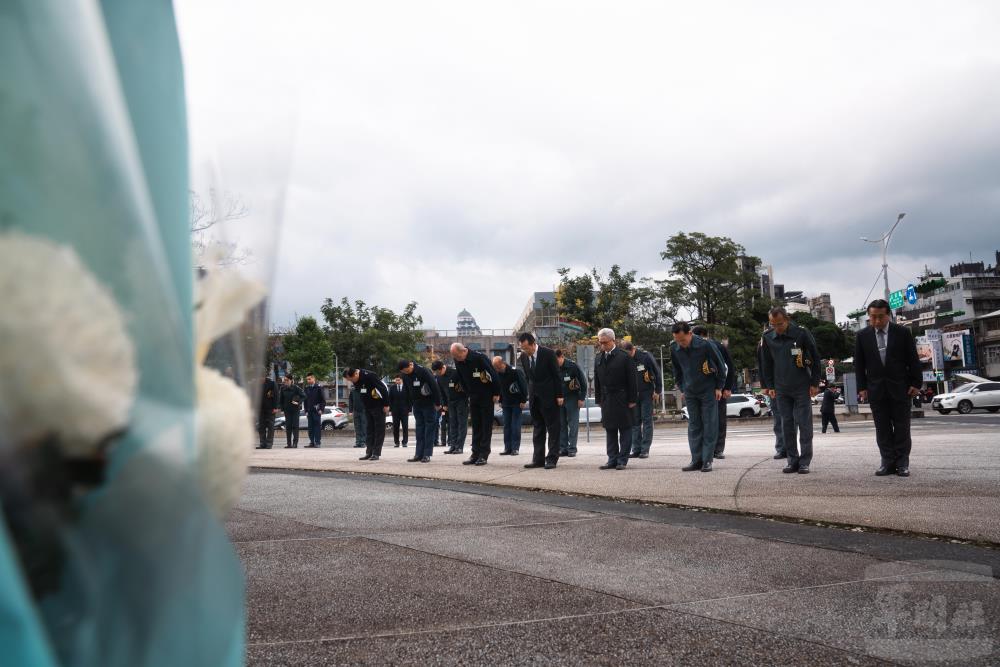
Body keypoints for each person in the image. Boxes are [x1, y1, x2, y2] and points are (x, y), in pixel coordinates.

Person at [854, 298, 923, 477]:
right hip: (876, 389)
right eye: (873, 317)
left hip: (901, 387)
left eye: (880, 317)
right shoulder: (862, 336)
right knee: (882, 428)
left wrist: (916, 383)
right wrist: (861, 387)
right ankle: (887, 462)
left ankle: (902, 463)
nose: (876, 321)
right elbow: (859, 365)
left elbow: (913, 360)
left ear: (889, 315)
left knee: (902, 427)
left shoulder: (902, 332)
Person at [760, 307, 821, 474]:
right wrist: (769, 386)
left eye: (779, 324)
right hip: (781, 388)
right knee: (786, 425)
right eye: (773, 324)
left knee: (804, 424)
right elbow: (766, 363)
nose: (777, 328)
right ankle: (792, 460)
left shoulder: (801, 333)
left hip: (802, 385)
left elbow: (815, 357)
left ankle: (805, 461)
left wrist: (815, 383)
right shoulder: (767, 337)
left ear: (787, 320)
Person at [671, 322, 727, 472]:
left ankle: (707, 460)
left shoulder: (705, 345)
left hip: (708, 390)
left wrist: (719, 387)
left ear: (690, 333)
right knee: (694, 425)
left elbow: (721, 366)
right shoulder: (674, 347)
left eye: (682, 340)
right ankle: (696, 459)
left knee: (709, 424)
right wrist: (682, 388)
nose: (680, 343)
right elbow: (677, 370)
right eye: (677, 340)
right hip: (690, 391)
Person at [517, 332, 564, 470]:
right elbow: (528, 378)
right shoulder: (524, 357)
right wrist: (528, 396)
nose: (525, 351)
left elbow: (556, 375)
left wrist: (559, 395)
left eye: (526, 348)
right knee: (538, 429)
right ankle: (538, 459)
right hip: (534, 399)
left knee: (553, 429)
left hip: (550, 397)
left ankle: (552, 459)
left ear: (533, 344)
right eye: (522, 348)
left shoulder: (548, 354)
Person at [593, 328, 637, 470]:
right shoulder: (598, 358)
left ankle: (622, 460)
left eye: (605, 342)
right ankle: (612, 458)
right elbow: (597, 381)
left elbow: (632, 380)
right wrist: (598, 399)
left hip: (622, 397)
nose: (603, 345)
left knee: (625, 429)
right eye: (600, 343)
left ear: (613, 340)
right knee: (610, 429)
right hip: (606, 398)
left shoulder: (624, 357)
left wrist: (632, 399)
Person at [451, 342, 500, 466]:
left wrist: (496, 392)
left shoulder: (479, 358)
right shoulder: (458, 360)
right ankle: (475, 453)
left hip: (486, 395)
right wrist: (467, 393)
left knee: (485, 426)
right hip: (473, 397)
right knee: (476, 426)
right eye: (455, 357)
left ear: (463, 351)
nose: (456, 359)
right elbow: (461, 378)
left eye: (457, 356)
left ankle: (484, 454)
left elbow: (493, 374)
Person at [691, 326, 735, 460]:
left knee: (720, 419)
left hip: (718, 388)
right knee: (703, 420)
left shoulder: (718, 346)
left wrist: (727, 387)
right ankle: (707, 449)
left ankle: (718, 449)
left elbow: (729, 367)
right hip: (700, 388)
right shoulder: (691, 348)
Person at [620, 342, 661, 460]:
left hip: (647, 393)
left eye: (629, 354)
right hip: (632, 395)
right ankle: (636, 449)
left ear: (633, 349)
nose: (627, 356)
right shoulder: (624, 359)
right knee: (634, 422)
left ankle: (645, 449)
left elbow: (657, 372)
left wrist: (657, 390)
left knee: (647, 421)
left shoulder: (645, 356)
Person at [399, 359, 442, 463]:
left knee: (429, 428)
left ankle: (427, 454)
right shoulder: (405, 375)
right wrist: (408, 406)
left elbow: (434, 386)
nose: (405, 373)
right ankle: (418, 454)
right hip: (416, 404)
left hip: (428, 403)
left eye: (406, 370)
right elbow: (406, 390)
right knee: (419, 429)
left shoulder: (423, 371)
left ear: (410, 365)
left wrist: (437, 403)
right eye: (403, 372)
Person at [342, 368, 390, 461]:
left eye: (351, 379)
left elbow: (383, 389)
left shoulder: (370, 375)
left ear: (356, 374)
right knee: (369, 430)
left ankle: (376, 453)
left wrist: (386, 404)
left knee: (379, 430)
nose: (351, 381)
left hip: (378, 406)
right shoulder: (355, 380)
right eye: (349, 380)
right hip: (367, 407)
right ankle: (369, 452)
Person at [758, 328, 787, 459]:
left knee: (791, 418)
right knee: (778, 417)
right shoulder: (765, 341)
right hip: (774, 385)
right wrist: (765, 385)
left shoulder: (795, 336)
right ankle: (781, 447)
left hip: (791, 382)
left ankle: (791, 447)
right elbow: (762, 364)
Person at [555, 349, 588, 457]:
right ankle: (563, 448)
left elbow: (583, 382)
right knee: (561, 425)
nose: (556, 363)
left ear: (561, 357)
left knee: (573, 424)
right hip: (559, 399)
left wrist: (581, 398)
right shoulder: (554, 367)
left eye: (557, 360)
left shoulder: (572, 366)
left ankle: (572, 448)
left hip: (572, 398)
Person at [493, 356, 527, 455]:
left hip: (517, 402)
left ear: (503, 363)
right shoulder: (499, 373)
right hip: (506, 403)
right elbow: (501, 388)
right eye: (495, 368)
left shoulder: (515, 371)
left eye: (498, 367)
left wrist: (523, 400)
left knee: (515, 425)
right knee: (507, 426)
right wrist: (501, 400)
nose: (497, 369)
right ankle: (507, 448)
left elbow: (523, 386)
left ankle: (515, 448)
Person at [433, 360, 469, 454]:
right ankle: (453, 446)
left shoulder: (455, 373)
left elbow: (466, 385)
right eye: (436, 372)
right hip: (450, 403)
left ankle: (459, 447)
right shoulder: (439, 377)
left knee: (461, 424)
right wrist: (444, 404)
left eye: (439, 371)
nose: (438, 374)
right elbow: (442, 392)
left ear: (443, 367)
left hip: (461, 400)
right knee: (452, 424)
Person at [278, 375, 305, 448]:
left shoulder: (296, 388)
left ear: (291, 380)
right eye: (284, 380)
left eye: (287, 380)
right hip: (287, 410)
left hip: (295, 410)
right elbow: (281, 400)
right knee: (288, 427)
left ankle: (295, 443)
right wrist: (282, 409)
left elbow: (304, 396)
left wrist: (298, 402)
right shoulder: (282, 388)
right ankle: (289, 444)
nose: (285, 381)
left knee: (295, 426)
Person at [303, 373, 326, 448]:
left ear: (313, 379)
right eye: (307, 379)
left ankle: (317, 442)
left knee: (317, 427)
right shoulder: (306, 388)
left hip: (316, 410)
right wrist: (305, 411)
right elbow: (305, 401)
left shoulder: (319, 387)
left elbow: (323, 400)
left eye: (309, 379)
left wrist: (321, 409)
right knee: (310, 427)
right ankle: (311, 442)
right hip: (309, 411)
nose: (308, 380)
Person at [256, 374, 279, 449]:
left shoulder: (272, 383)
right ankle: (262, 443)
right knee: (261, 426)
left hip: (270, 408)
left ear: (264, 376)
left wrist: (275, 407)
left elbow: (276, 395)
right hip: (260, 408)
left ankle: (269, 443)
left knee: (270, 426)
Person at [389, 375, 410, 448]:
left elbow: (409, 400)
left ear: (401, 380)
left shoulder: (406, 388)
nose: (397, 382)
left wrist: (409, 409)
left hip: (404, 410)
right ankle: (396, 442)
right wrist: (391, 410)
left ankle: (405, 442)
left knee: (405, 427)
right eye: (396, 380)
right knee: (395, 427)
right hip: (395, 411)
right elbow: (390, 400)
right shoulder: (392, 388)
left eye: (398, 380)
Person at [350, 383, 367, 448]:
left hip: (363, 410)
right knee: (357, 427)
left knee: (363, 426)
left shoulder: (363, 388)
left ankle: (363, 442)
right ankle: (358, 442)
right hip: (356, 410)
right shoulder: (353, 389)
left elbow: (366, 398)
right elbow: (350, 400)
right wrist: (350, 410)